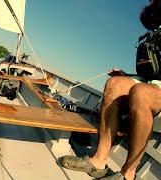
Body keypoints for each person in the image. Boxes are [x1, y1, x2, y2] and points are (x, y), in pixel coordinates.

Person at [60, 0, 161, 179]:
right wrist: (125, 75)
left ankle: (128, 174)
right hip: (151, 82)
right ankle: (98, 161)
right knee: (115, 84)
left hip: (153, 89)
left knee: (141, 93)